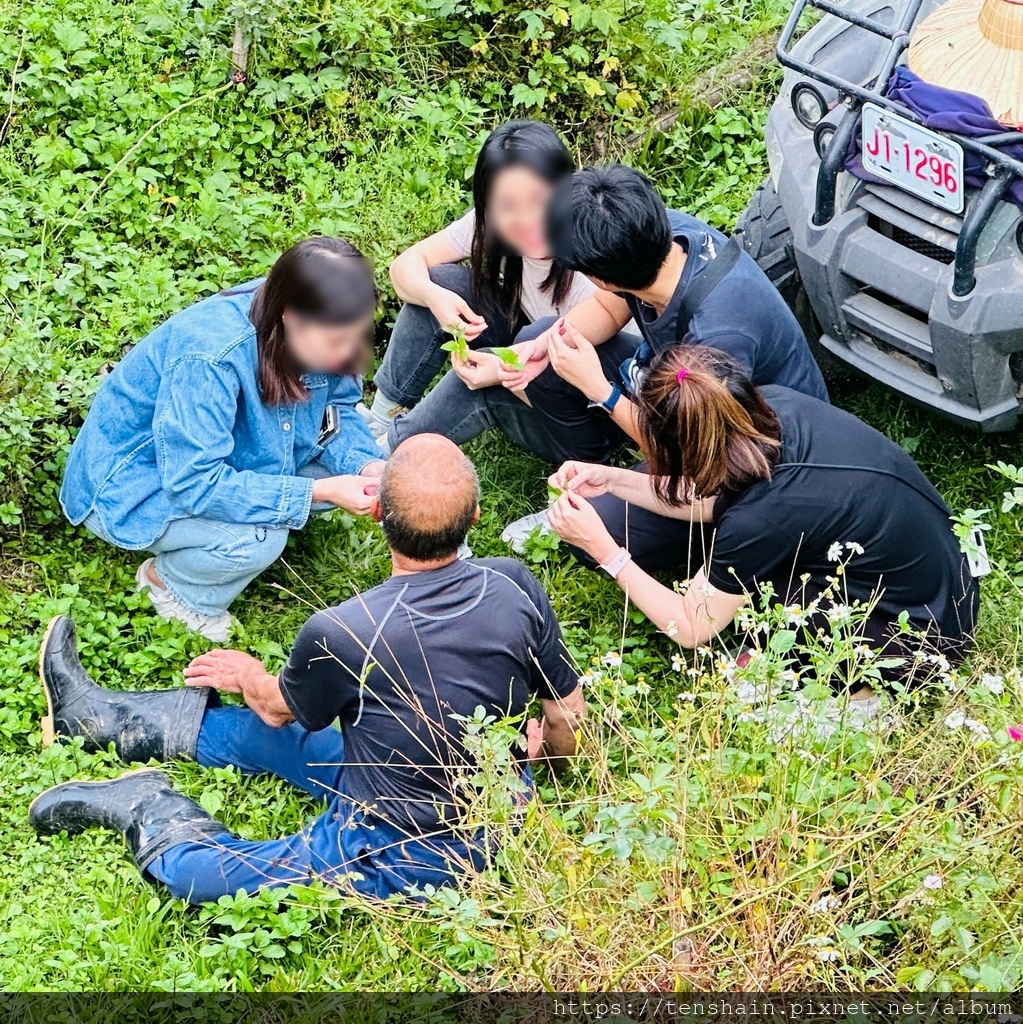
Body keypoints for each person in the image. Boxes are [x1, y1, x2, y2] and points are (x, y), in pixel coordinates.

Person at [31, 435, 586, 904]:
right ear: (475, 518)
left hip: (405, 846)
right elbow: (567, 714)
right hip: (490, 795)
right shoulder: (514, 582)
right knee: (288, 736)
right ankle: (96, 718)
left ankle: (148, 804)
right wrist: (540, 776)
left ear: (379, 518)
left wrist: (248, 674)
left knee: (204, 877)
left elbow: (276, 708)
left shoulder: (344, 628)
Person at [545, 346, 978, 683]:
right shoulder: (775, 409)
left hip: (921, 639)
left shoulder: (761, 518)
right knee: (758, 583)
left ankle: (861, 700)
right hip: (946, 578)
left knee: (767, 607)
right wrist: (614, 480)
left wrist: (604, 550)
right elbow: (712, 496)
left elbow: (693, 626)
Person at [60, 237, 388, 641]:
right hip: (135, 483)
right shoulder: (210, 356)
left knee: (369, 468)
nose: (349, 352)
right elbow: (191, 483)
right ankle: (172, 588)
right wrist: (317, 491)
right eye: (337, 342)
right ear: (290, 318)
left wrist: (366, 465)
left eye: (358, 336)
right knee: (260, 538)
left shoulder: (317, 315)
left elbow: (336, 410)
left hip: (233, 452)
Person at [500, 162, 830, 545]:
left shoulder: (716, 338)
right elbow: (609, 307)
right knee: (549, 338)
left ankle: (717, 531)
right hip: (684, 397)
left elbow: (695, 448)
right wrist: (549, 345)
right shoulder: (656, 234)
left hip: (750, 451)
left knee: (597, 529)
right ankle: (593, 468)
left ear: (600, 276)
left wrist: (599, 390)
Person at [364, 120, 642, 466]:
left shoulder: (593, 252)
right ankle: (381, 414)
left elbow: (569, 373)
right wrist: (434, 298)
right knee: (442, 282)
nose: (526, 219)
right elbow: (405, 267)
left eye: (539, 200)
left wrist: (499, 370)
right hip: (531, 353)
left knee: (486, 376)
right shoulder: (494, 225)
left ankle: (381, 457)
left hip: (593, 409)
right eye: (507, 206)